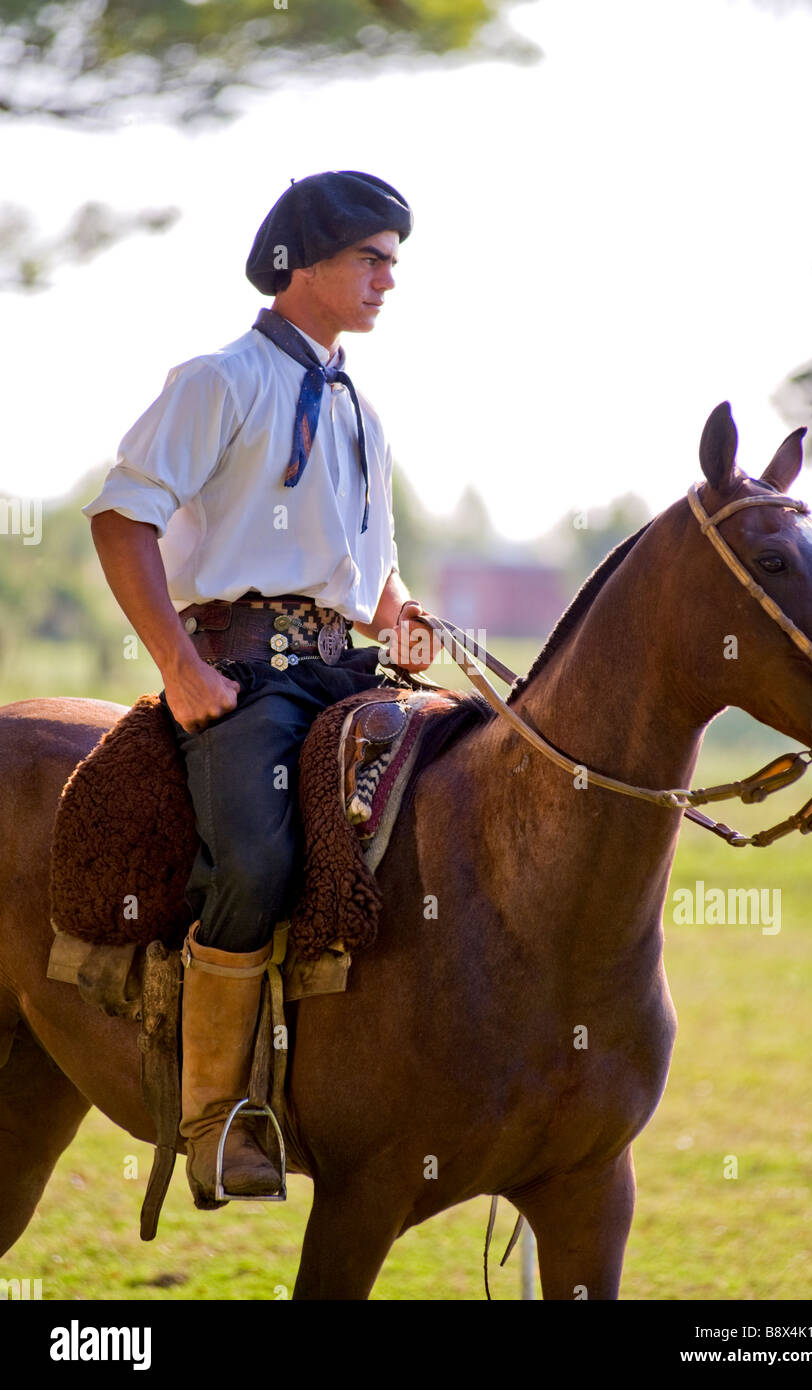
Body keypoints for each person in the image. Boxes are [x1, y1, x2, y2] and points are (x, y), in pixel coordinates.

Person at [84, 170, 435, 1209]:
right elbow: (121, 520)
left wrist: (403, 620)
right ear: (305, 266)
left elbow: (371, 575)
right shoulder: (217, 380)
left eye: (393, 264)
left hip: (348, 670)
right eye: (370, 259)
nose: (386, 281)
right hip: (243, 676)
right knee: (258, 854)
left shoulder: (363, 409)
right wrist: (178, 669)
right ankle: (216, 1117)